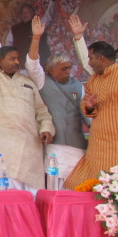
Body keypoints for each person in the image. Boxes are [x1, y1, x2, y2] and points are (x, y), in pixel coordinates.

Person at [0, 0, 55, 193]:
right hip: (4, 145)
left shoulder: (27, 81)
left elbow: (41, 111)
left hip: (29, 147)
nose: (17, 62)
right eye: (13, 59)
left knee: (33, 194)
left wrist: (46, 129)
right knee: (9, 195)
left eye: (18, 58)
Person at [26, 16, 88, 186]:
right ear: (50, 70)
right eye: (63, 69)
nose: (68, 72)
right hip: (55, 146)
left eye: (69, 68)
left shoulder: (78, 85)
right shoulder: (43, 82)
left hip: (78, 146)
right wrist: (36, 38)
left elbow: (86, 114)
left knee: (77, 188)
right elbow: (32, 64)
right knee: (56, 190)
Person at [64, 41, 117, 189]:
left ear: (101, 58)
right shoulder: (93, 80)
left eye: (91, 58)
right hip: (98, 142)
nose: (89, 62)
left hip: (115, 141)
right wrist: (89, 106)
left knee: (111, 184)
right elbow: (86, 107)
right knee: (79, 184)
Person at [5, 2, 55, 70]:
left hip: (37, 66)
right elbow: (8, 44)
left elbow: (48, 17)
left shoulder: (37, 25)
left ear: (31, 13)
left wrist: (52, 2)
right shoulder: (15, 28)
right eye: (23, 13)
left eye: (27, 12)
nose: (24, 15)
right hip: (21, 66)